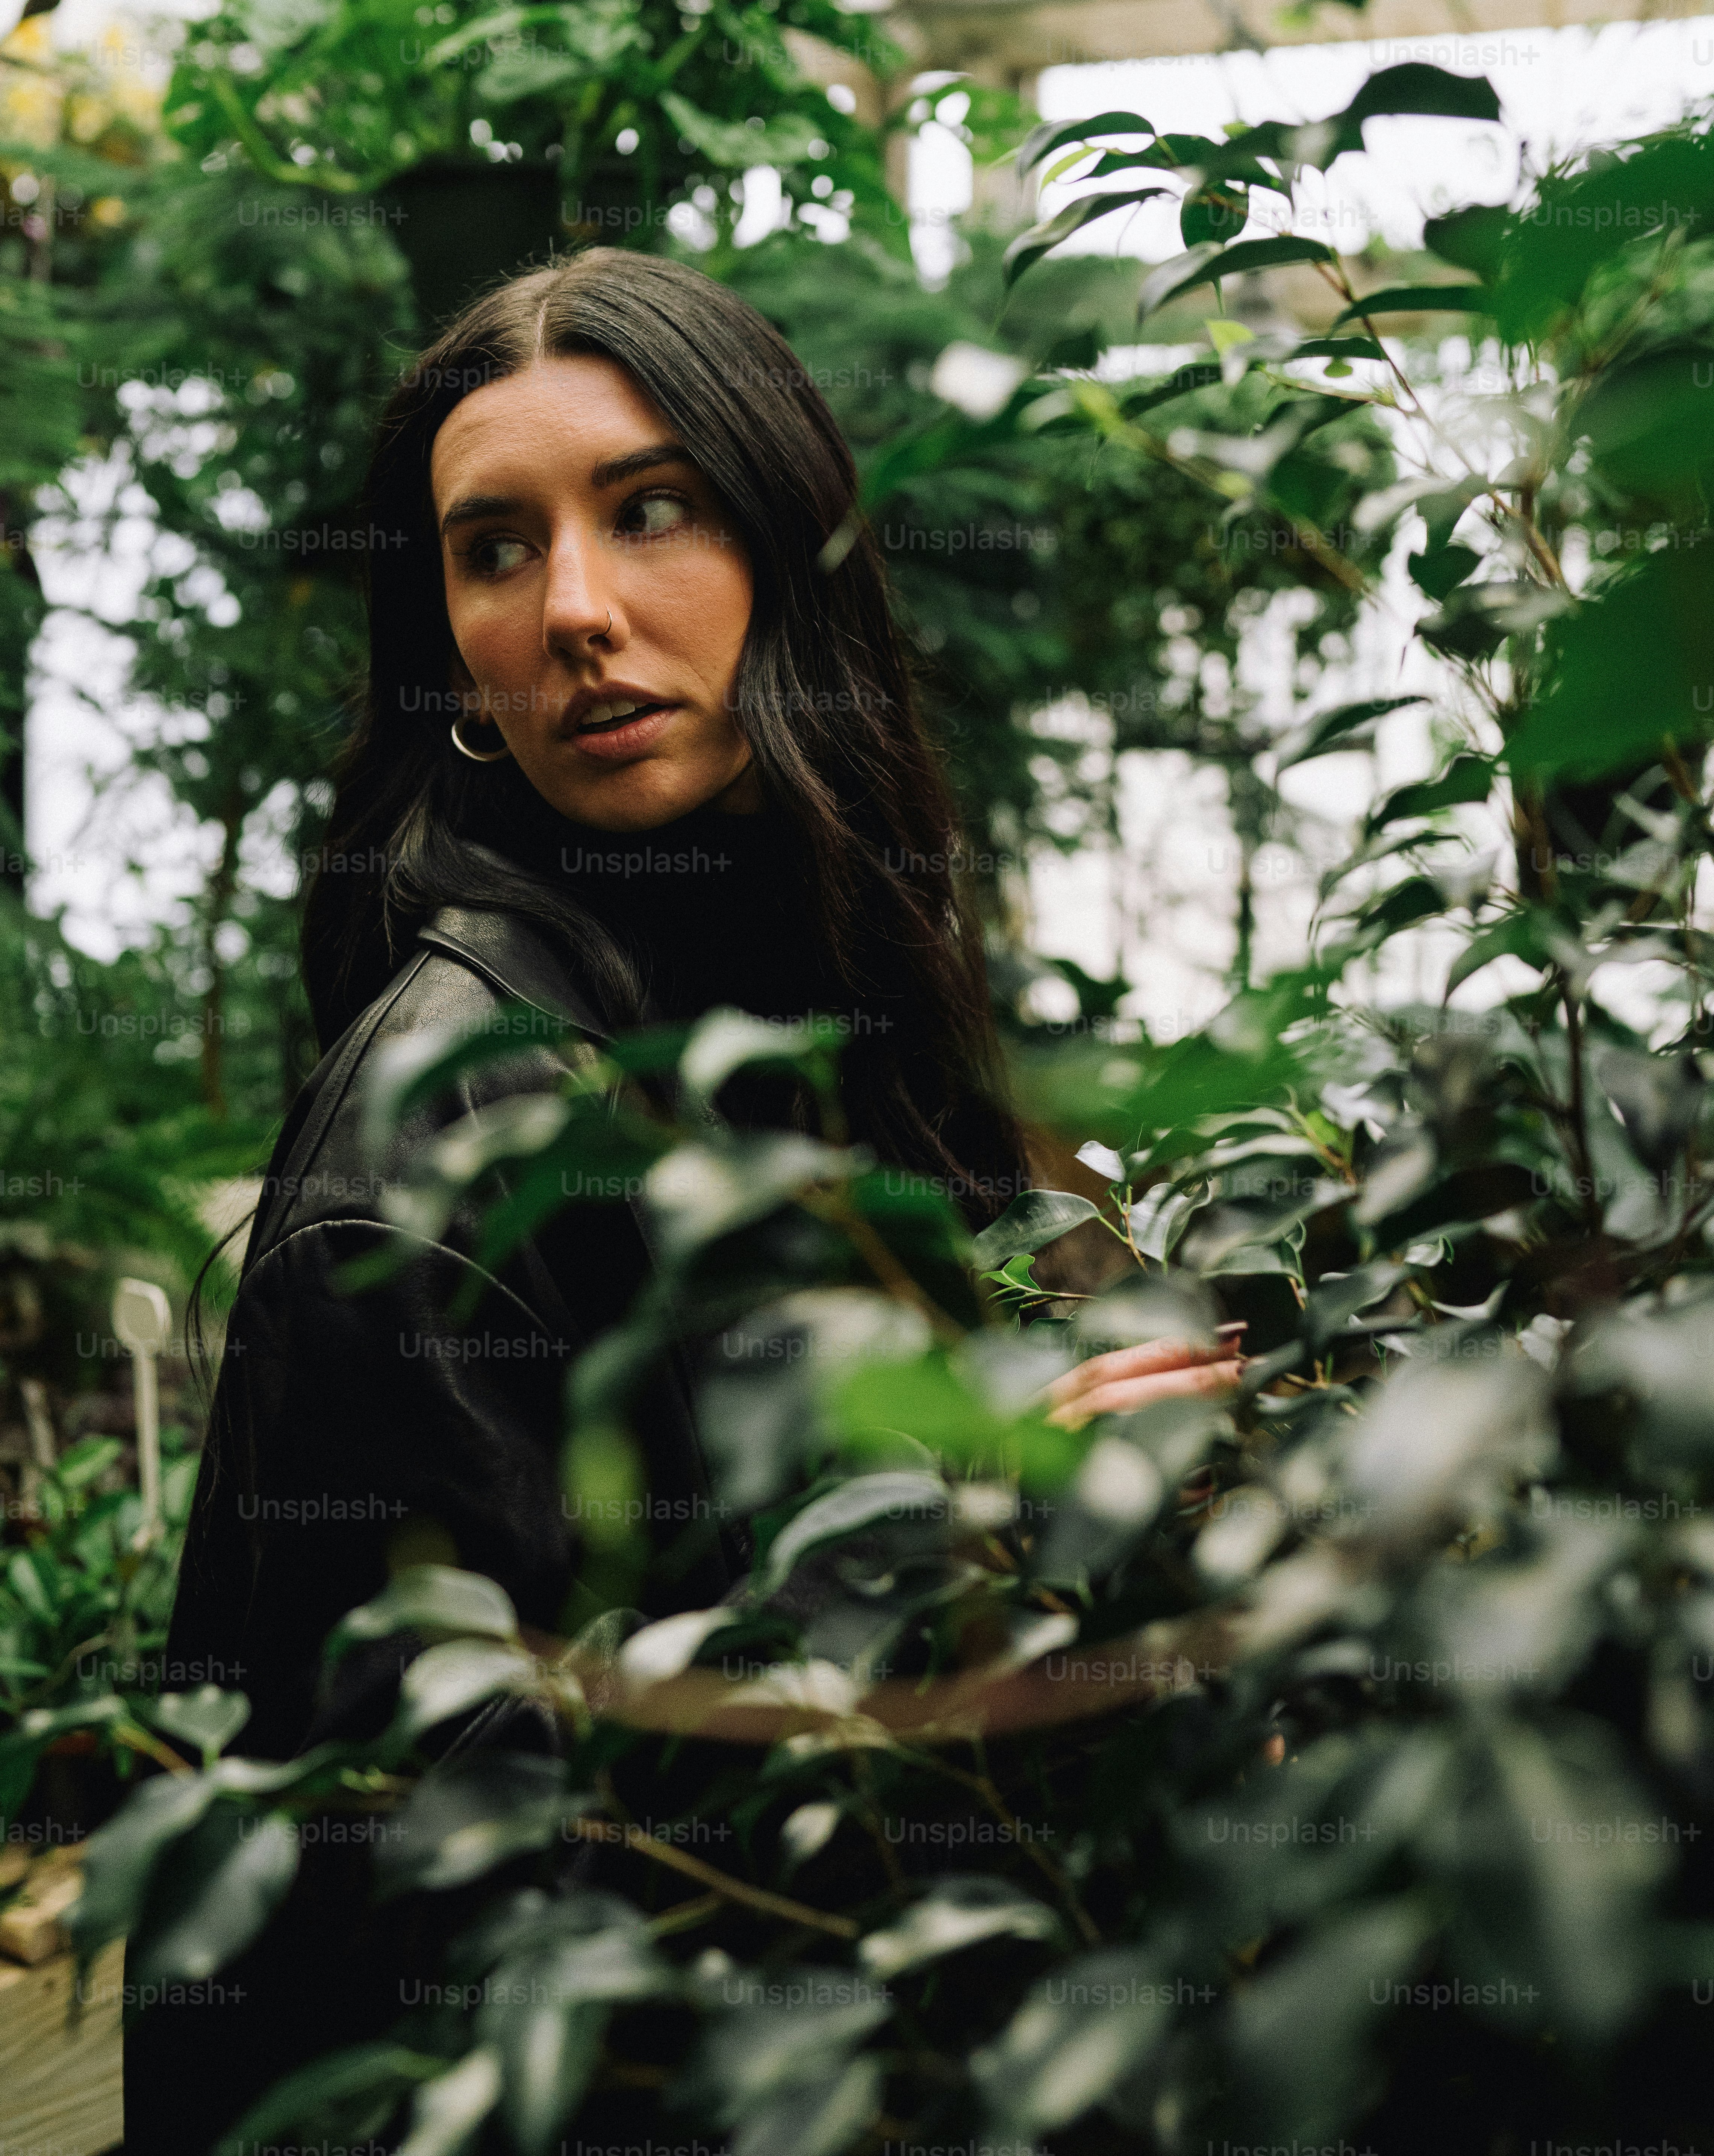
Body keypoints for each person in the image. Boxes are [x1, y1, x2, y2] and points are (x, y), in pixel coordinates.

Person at [126, 248, 1240, 2152]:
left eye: (652, 512)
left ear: (792, 555)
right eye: (494, 550)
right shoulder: (449, 1121)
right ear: (449, 646)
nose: (573, 609)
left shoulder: (807, 985)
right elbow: (463, 1875)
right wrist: (956, 1583)